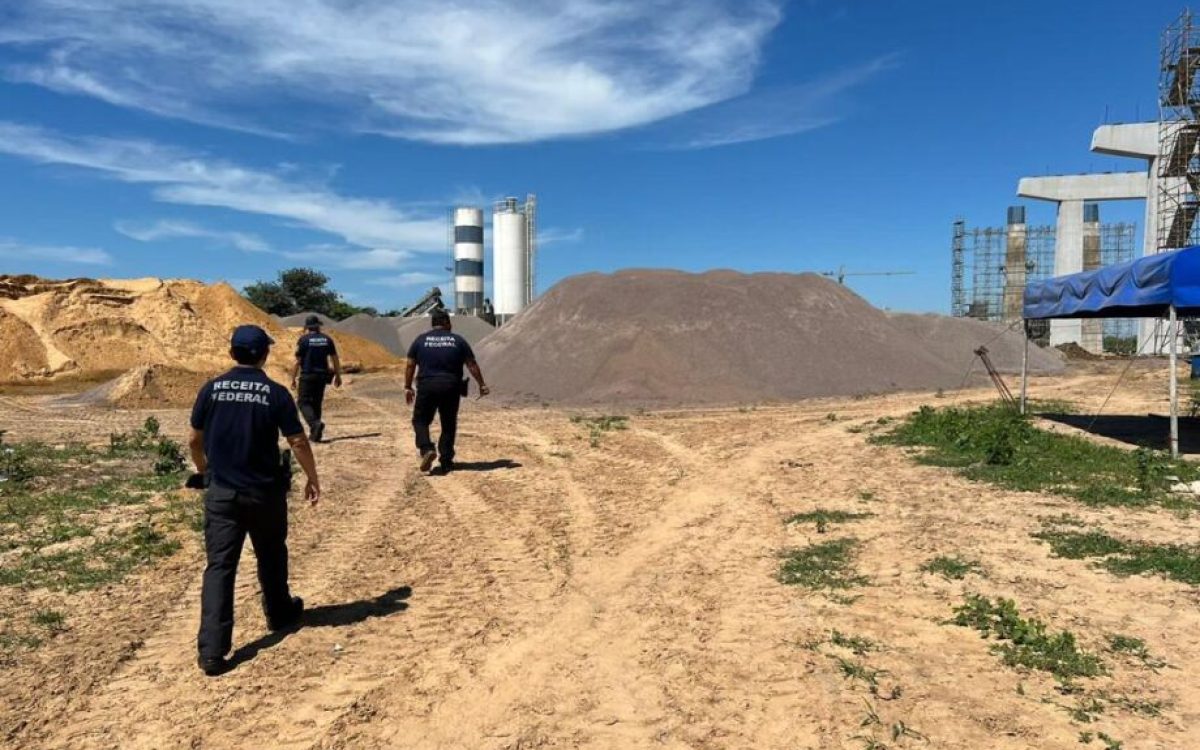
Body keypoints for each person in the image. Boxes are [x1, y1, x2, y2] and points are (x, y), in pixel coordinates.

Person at [188, 325, 322, 676]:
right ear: (264, 355)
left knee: (220, 567)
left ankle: (212, 651)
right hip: (264, 493)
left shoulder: (211, 389)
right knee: (272, 553)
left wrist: (204, 471)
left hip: (222, 494)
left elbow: (194, 440)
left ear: (231, 353)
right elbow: (297, 441)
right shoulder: (275, 393)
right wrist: (312, 477)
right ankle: (279, 612)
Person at [405, 309, 490, 473]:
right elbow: (471, 364)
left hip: (427, 385)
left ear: (433, 324)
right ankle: (446, 460)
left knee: (420, 421)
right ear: (446, 323)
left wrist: (408, 386)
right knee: (448, 423)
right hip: (451, 386)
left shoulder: (420, 340)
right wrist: (482, 384)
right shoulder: (458, 340)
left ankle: (426, 448)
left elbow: (410, 364)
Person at [291, 315, 342, 443]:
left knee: (303, 403)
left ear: (307, 327)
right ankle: (316, 435)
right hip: (322, 376)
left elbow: (298, 361)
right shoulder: (327, 339)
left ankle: (315, 424)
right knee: (316, 403)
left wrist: (293, 378)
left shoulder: (303, 340)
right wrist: (338, 375)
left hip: (308, 375)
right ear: (318, 326)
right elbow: (335, 359)